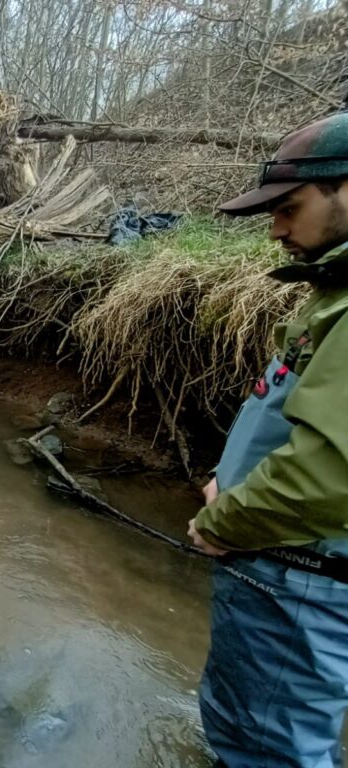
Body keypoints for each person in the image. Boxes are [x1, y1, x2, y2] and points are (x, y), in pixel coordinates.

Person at [186, 111, 348, 767]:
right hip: (281, 571)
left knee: (268, 751)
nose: (276, 228)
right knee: (248, 737)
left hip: (297, 582)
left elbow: (330, 475)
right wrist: (232, 483)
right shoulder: (332, 293)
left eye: (289, 208)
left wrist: (223, 520)